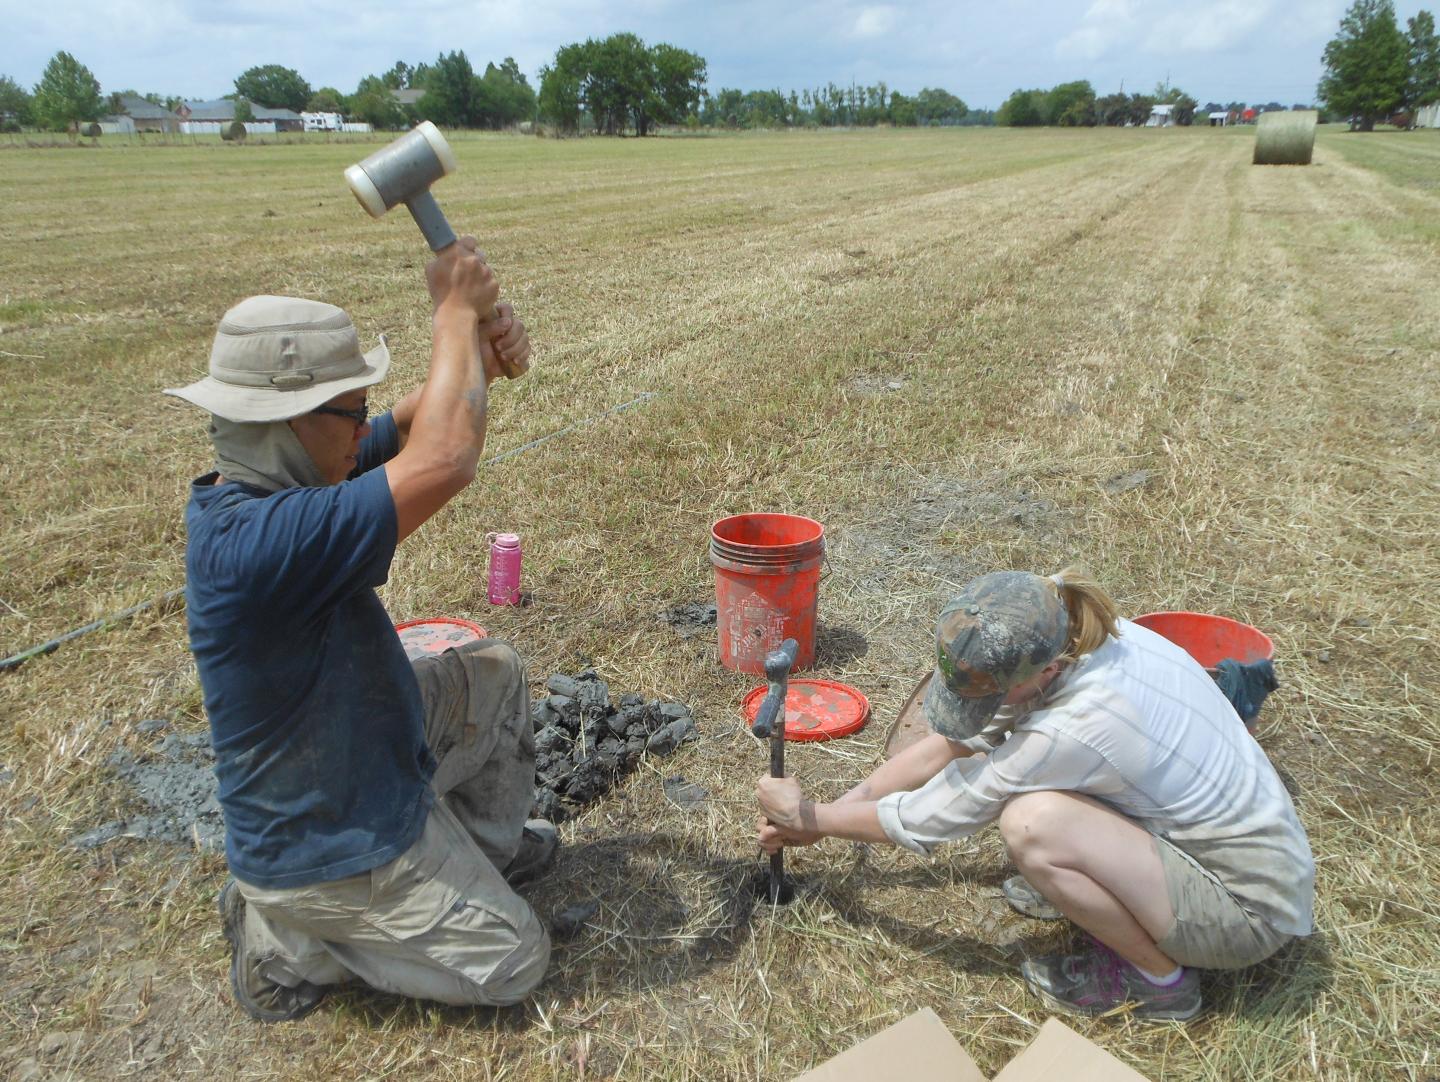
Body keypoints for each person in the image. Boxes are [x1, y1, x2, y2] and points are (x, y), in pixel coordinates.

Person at [164, 238, 553, 1023]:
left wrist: (475, 352)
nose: (363, 427)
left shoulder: (296, 477)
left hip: (361, 757)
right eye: (350, 410)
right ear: (291, 420)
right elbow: (442, 456)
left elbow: (415, 428)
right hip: (325, 840)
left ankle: (475, 859)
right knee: (516, 961)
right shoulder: (258, 544)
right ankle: (289, 940)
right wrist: (452, 308)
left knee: (493, 672)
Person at [755, 568, 1314, 1022]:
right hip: (1208, 848)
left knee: (1032, 823)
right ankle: (1112, 890)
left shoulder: (1077, 724)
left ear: (1043, 671)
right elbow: (951, 746)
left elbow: (939, 815)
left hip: (1245, 910)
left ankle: (1161, 985)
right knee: (1036, 801)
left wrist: (814, 820)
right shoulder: (1055, 622)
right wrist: (836, 808)